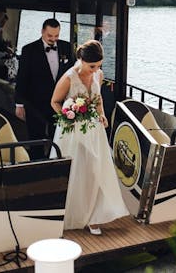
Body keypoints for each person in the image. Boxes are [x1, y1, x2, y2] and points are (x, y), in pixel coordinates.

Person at [50, 40, 128, 235]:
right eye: (92, 66)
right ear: (81, 60)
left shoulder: (98, 75)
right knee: (76, 172)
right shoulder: (69, 77)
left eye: (99, 66)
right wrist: (67, 116)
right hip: (71, 131)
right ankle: (68, 214)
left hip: (94, 130)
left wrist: (101, 114)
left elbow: (97, 98)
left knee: (95, 170)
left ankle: (94, 217)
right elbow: (55, 102)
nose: (95, 70)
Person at [15, 18, 75, 159]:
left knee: (58, 136)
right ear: (42, 32)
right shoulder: (29, 50)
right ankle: (36, 167)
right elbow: (22, 78)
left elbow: (72, 74)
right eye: (50, 36)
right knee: (36, 137)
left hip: (59, 102)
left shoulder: (67, 47)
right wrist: (19, 104)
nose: (53, 39)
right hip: (35, 102)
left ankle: (55, 164)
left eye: (56, 36)